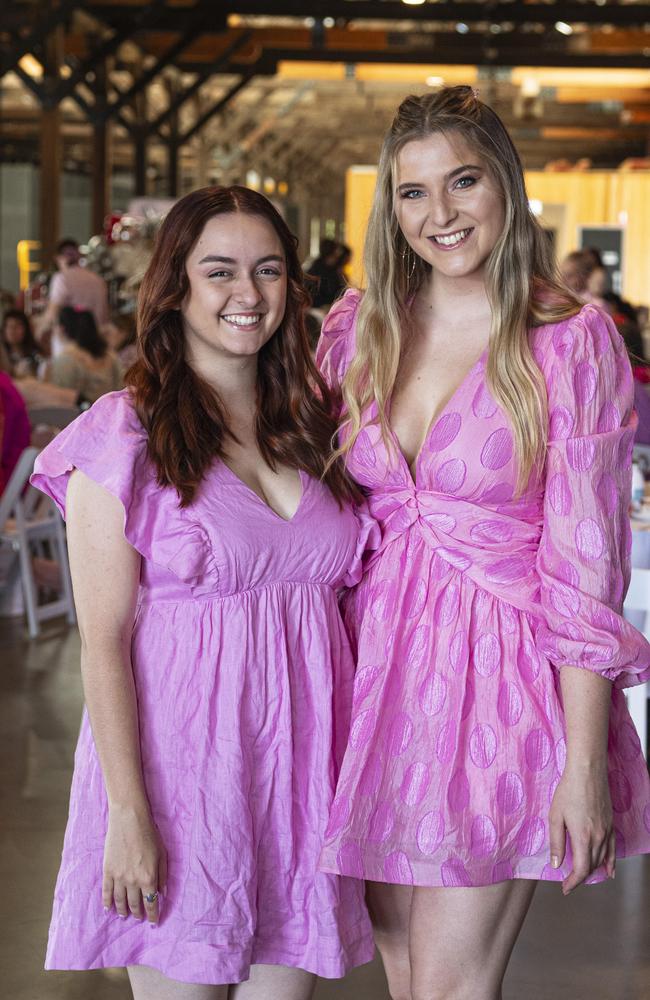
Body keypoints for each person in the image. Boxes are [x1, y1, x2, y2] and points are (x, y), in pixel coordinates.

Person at [316, 86, 650, 1000]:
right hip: (370, 676)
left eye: (463, 182)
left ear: (505, 185)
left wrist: (583, 769)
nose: (440, 214)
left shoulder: (569, 342)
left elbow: (588, 565)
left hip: (502, 680)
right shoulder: (356, 328)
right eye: (414, 193)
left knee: (448, 989)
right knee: (402, 974)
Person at [31, 185, 374, 999]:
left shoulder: (319, 423)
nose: (247, 295)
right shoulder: (125, 436)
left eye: (268, 271)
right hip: (181, 782)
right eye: (218, 271)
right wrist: (127, 813)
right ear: (175, 286)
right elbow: (104, 643)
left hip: (301, 783)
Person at [45, 306, 123, 404]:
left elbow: (60, 400)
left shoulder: (65, 359)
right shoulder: (109, 355)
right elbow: (121, 386)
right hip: (111, 413)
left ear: (62, 329)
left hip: (79, 417)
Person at [35, 238, 109, 336]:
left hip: (72, 339)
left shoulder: (61, 278)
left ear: (58, 258)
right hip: (97, 337)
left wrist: (39, 330)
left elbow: (53, 313)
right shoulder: (98, 279)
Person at [0, 309, 41, 377]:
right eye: (9, 326)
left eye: (17, 326)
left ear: (26, 329)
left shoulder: (35, 353)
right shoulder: (2, 355)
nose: (12, 331)